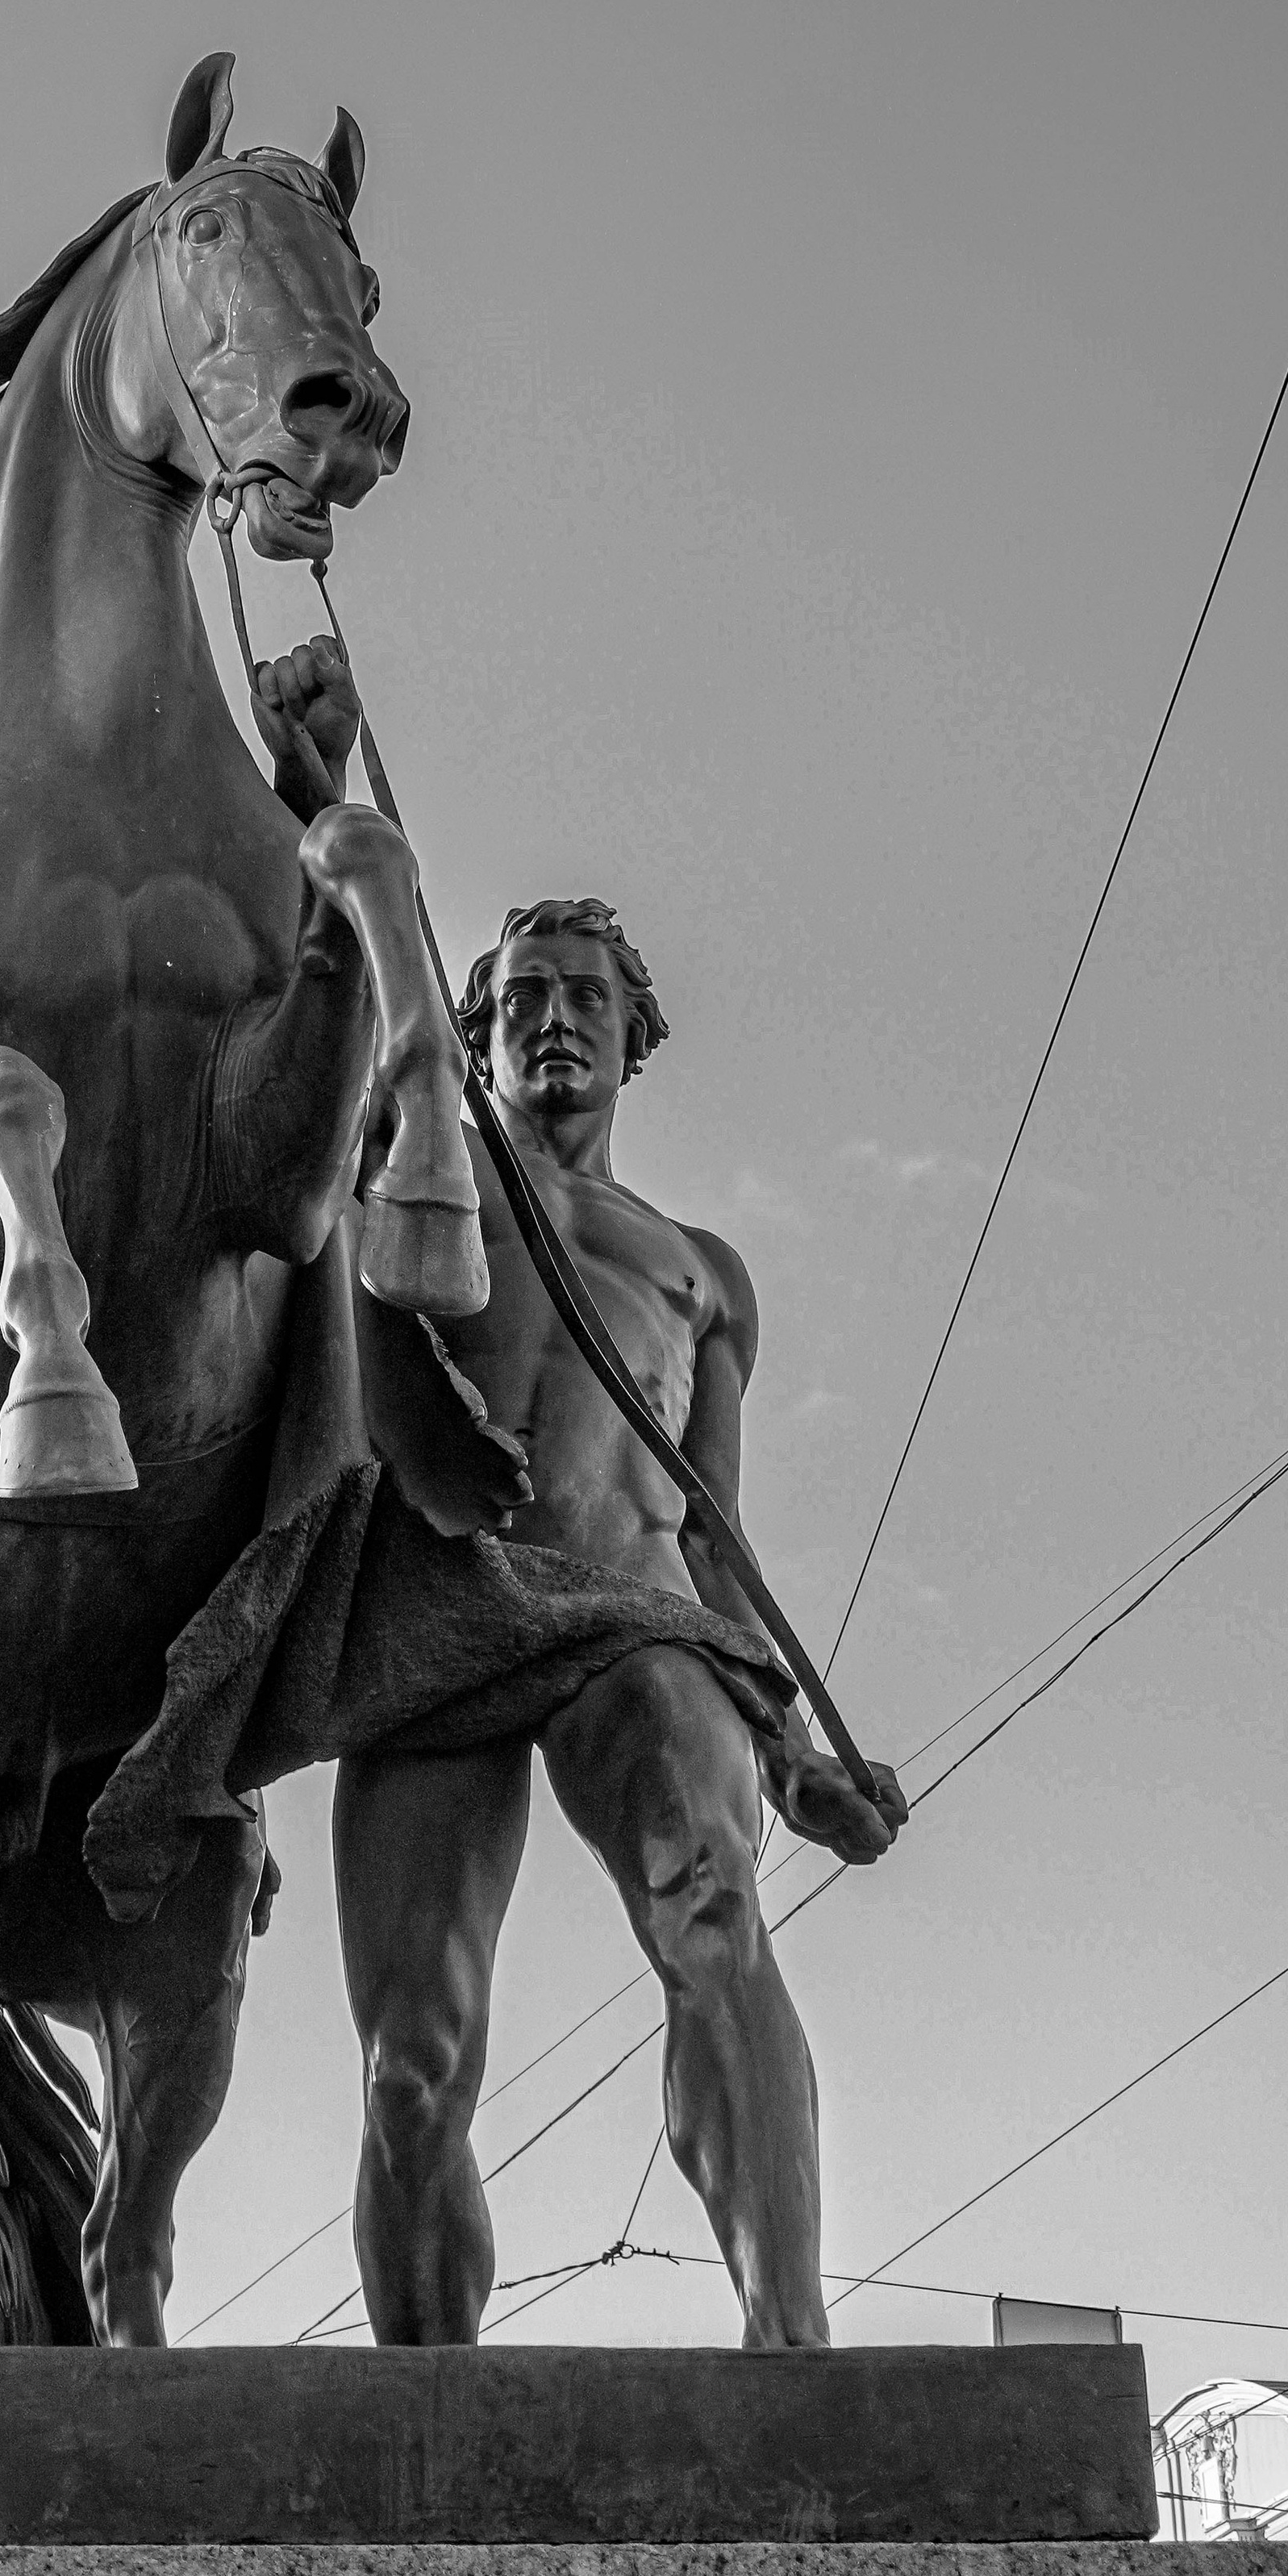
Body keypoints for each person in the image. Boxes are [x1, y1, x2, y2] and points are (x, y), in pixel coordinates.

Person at [331, 894, 907, 2349]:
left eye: (586, 996)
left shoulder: (701, 1271)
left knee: (715, 1902)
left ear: (634, 1034)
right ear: (476, 1031)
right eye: (523, 996)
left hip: (636, 1617)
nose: (555, 1021)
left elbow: (712, 1526)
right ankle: (429, 2402)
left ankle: (791, 2345)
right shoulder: (414, 1179)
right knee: (411, 2064)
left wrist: (787, 1747)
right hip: (442, 1613)